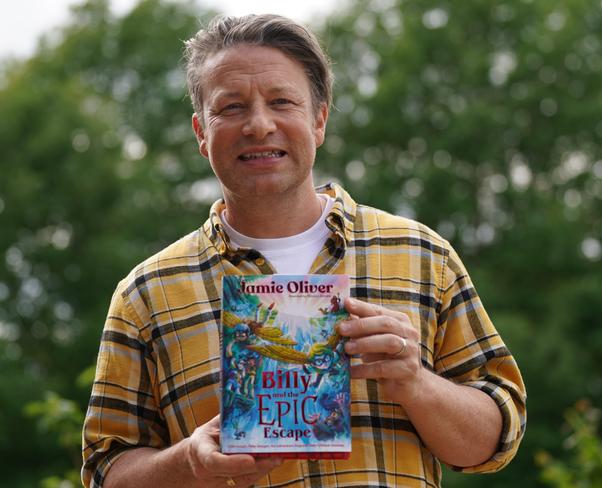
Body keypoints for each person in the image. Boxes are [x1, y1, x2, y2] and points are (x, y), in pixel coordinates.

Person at [81, 14, 526, 488]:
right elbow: (106, 470)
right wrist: (190, 461)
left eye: (281, 101)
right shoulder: (146, 294)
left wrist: (415, 383)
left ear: (319, 119)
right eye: (231, 108)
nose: (258, 124)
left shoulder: (421, 255)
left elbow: (495, 442)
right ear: (200, 133)